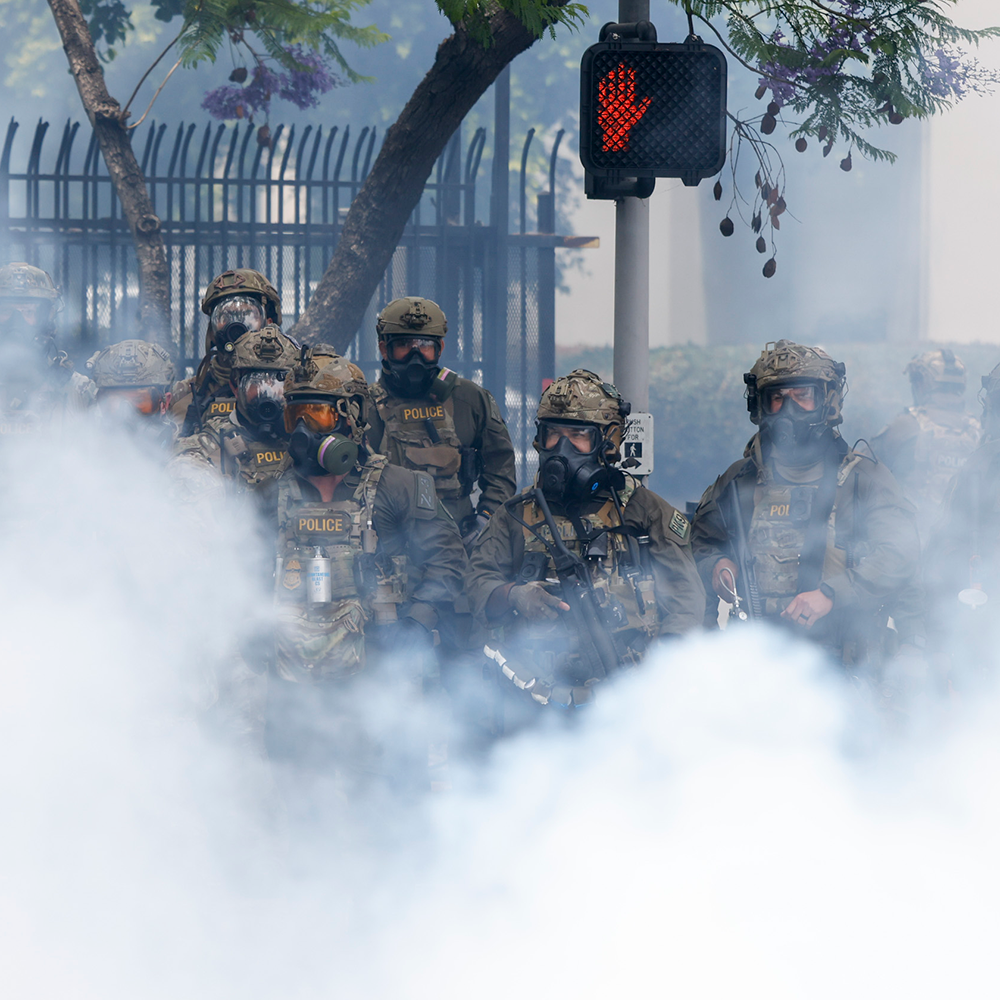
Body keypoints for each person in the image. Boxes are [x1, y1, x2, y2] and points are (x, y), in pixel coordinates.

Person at [266, 347, 468, 811]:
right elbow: (240, 569)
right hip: (293, 682)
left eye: (314, 413)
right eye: (293, 413)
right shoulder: (270, 492)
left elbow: (447, 560)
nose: (300, 430)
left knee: (385, 806)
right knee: (292, 805)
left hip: (377, 675)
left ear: (349, 417)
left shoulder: (399, 485)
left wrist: (414, 626)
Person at [467, 369, 705, 723]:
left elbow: (687, 601)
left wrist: (661, 677)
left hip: (627, 698)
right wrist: (516, 595)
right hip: (536, 701)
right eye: (552, 434)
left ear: (607, 442)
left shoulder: (644, 510)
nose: (561, 448)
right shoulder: (517, 513)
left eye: (577, 435)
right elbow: (475, 584)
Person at [691, 340, 920, 668]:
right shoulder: (741, 479)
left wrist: (832, 594)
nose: (790, 410)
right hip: (758, 664)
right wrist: (718, 566)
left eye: (803, 396)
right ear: (761, 407)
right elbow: (699, 544)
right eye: (778, 399)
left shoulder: (863, 479)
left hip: (846, 663)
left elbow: (901, 555)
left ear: (827, 401)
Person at [367, 296, 516, 547]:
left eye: (424, 345)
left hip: (458, 541)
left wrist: (484, 520)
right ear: (384, 349)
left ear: (440, 349)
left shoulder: (470, 399)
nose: (415, 355)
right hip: (388, 543)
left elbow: (501, 466)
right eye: (404, 345)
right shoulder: (365, 406)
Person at [171, 325, 299, 531]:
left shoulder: (308, 442)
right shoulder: (204, 449)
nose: (268, 396)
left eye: (279, 385)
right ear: (234, 385)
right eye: (256, 385)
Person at [872, 349, 979, 539]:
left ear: (921, 384)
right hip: (962, 545)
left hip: (912, 540)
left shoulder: (907, 425)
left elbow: (863, 470)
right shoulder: (978, 432)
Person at [169, 268, 283, 435]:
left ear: (269, 323)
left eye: (247, 314)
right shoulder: (184, 397)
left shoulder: (291, 388)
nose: (236, 324)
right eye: (225, 316)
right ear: (212, 329)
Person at [0, 262, 95, 434]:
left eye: (28, 311)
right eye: (5, 310)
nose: (16, 321)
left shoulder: (77, 390)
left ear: (47, 317)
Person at [86, 339, 176, 449]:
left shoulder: (186, 453)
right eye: (115, 401)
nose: (126, 415)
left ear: (164, 403)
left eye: (139, 401)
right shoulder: (83, 450)